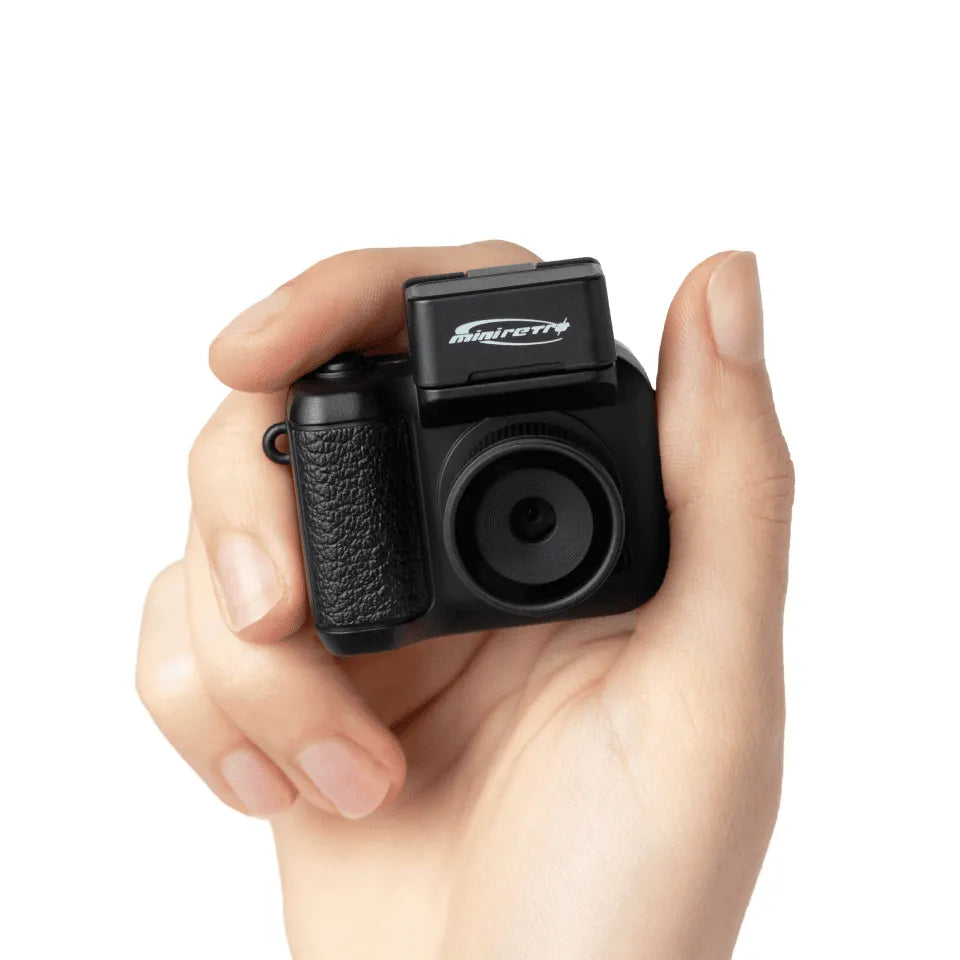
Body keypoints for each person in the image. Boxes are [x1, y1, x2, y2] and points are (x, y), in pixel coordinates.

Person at [137, 240, 794, 959]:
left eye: (528, 518)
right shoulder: (376, 425)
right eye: (525, 518)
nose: (527, 522)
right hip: (408, 785)